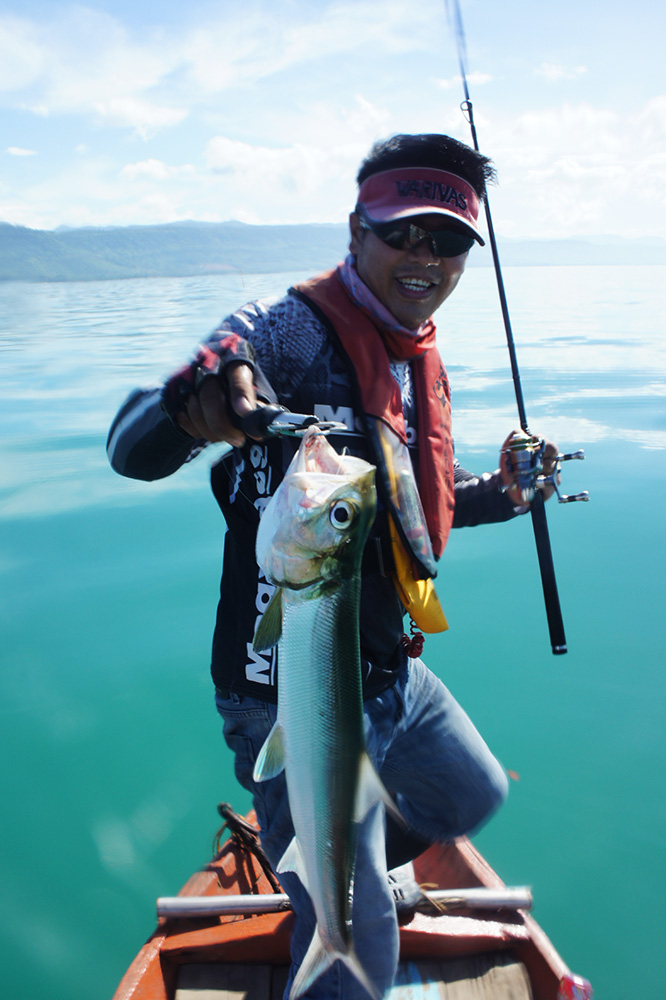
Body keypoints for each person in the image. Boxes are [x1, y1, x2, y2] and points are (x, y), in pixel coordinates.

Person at [107, 133, 559, 999]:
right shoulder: (282, 333)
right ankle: (328, 875)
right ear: (356, 231)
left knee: (468, 797)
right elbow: (133, 447)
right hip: (288, 689)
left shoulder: (411, 352)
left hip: (388, 671)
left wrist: (504, 492)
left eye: (450, 240)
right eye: (403, 233)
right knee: (355, 952)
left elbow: (408, 505)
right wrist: (192, 409)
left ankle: (322, 856)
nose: (425, 257)